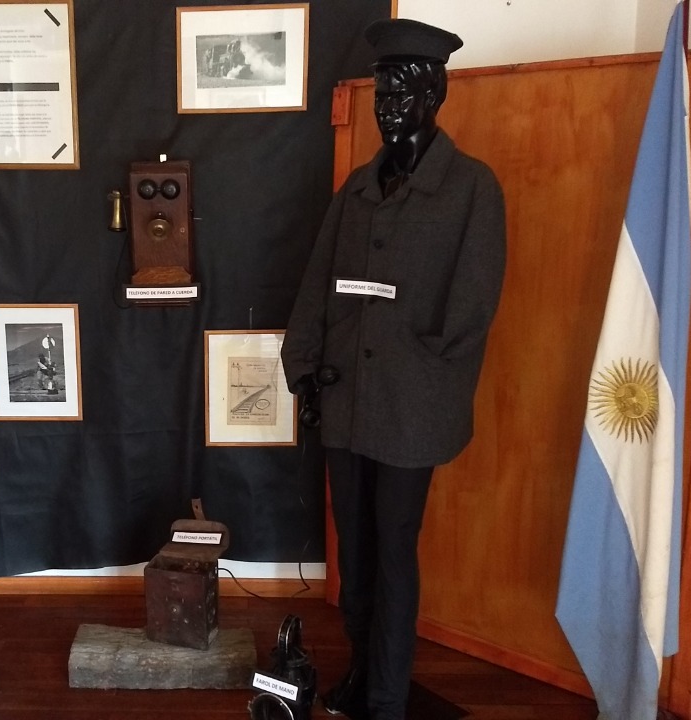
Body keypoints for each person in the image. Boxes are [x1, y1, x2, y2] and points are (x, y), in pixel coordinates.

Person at [279, 18, 506, 720]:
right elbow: (319, 283)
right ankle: (362, 667)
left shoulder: (471, 188)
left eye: (402, 92)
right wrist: (305, 367)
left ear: (434, 95)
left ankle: (386, 696)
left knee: (393, 548)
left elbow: (472, 303)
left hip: (411, 407)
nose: (387, 107)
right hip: (346, 399)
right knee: (355, 550)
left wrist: (420, 363)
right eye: (380, 93)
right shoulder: (357, 188)